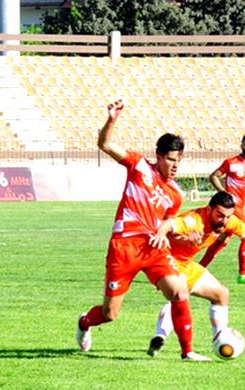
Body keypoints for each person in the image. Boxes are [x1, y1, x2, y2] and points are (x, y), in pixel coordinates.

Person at [75, 99, 209, 361]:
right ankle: (84, 323)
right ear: (158, 156)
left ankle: (187, 351)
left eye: (178, 160)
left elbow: (166, 227)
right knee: (110, 314)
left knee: (179, 291)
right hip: (124, 247)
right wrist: (112, 120)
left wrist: (184, 236)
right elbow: (104, 145)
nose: (175, 165)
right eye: (171, 159)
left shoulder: (176, 194)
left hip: (153, 249)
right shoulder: (139, 166)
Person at [146, 191, 245, 357]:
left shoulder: (229, 222)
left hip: (186, 264)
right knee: (180, 295)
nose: (224, 221)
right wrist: (178, 238)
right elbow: (166, 226)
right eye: (220, 215)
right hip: (166, 261)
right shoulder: (194, 220)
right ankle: (170, 341)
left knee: (221, 294)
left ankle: (220, 339)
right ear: (209, 210)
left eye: (228, 216)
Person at [199, 134, 245, 284]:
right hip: (233, 208)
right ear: (241, 145)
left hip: (240, 206)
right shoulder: (231, 162)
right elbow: (214, 176)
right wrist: (223, 192)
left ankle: (199, 268)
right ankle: (243, 274)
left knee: (223, 240)